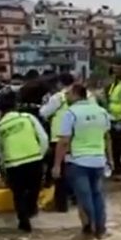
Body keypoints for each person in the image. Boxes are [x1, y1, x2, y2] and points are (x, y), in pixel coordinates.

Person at [53, 84, 111, 240]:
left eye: (69, 94)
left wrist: (57, 164)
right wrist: (109, 159)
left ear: (76, 95)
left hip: (79, 161)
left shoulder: (71, 113)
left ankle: (89, 228)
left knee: (84, 197)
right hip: (99, 160)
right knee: (97, 195)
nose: (66, 97)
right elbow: (107, 137)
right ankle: (101, 229)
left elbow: (64, 141)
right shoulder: (101, 111)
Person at [0, 90, 48, 233]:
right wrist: (40, 154)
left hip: (13, 163)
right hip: (34, 158)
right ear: (16, 106)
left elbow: (0, 151)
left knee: (18, 193)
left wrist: (4, 167)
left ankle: (23, 221)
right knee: (34, 188)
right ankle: (30, 209)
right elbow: (43, 138)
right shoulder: (27, 118)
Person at [40, 73, 76, 212]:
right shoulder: (87, 95)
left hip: (60, 139)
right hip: (79, 139)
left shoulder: (58, 97)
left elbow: (43, 113)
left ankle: (61, 206)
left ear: (60, 83)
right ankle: (77, 199)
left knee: (60, 172)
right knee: (76, 170)